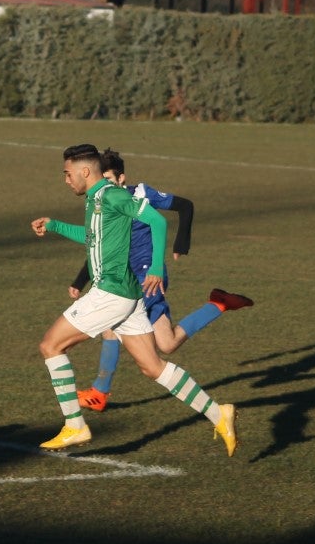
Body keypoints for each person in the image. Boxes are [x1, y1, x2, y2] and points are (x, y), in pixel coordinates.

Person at [31, 144, 238, 455]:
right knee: (152, 366)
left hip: (111, 293)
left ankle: (75, 425)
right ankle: (218, 413)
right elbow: (92, 239)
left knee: (51, 346)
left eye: (67, 173)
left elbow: (158, 221)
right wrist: (54, 224)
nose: (65, 179)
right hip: (125, 295)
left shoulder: (113, 195)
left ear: (85, 171)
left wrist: (156, 267)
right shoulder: (95, 199)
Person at [69, 148, 253, 412]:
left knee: (133, 331)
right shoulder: (103, 204)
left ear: (122, 178)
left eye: (108, 179)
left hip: (147, 277)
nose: (104, 185)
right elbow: (98, 246)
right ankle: (218, 304)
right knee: (147, 337)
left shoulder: (141, 195)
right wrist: (79, 281)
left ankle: (100, 393)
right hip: (121, 277)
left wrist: (182, 243)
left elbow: (185, 206)